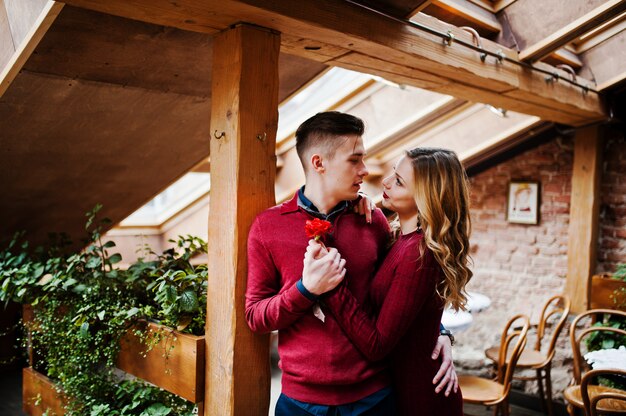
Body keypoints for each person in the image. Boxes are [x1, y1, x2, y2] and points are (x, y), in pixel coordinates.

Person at [245, 112, 457, 415]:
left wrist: (439, 331)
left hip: (375, 399)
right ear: (319, 163)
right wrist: (306, 290)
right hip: (299, 404)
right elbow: (255, 316)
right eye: (354, 160)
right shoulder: (268, 226)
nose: (365, 170)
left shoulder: (374, 220)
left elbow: (403, 293)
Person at [305, 147, 472, 415]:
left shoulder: (419, 254)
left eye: (399, 181)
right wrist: (441, 333)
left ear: (425, 199)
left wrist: (331, 284)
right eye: (394, 173)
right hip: (397, 390)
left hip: (419, 399)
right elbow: (408, 312)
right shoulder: (401, 240)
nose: (385, 181)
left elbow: (377, 345)